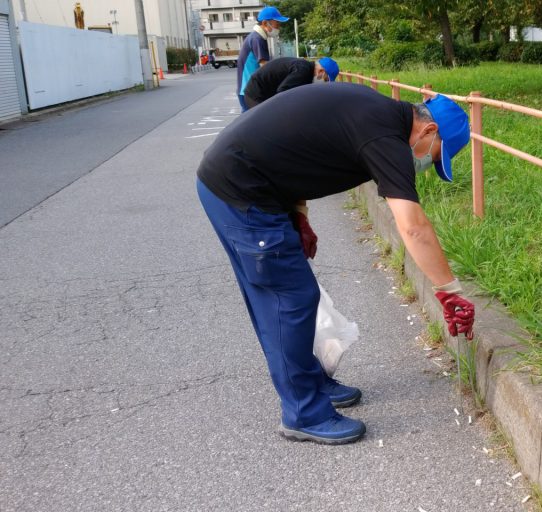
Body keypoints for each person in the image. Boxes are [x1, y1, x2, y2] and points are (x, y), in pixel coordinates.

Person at [196, 83, 476, 445]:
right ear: (428, 130)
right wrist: (449, 291)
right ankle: (303, 412)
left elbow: (296, 147)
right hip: (241, 189)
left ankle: (312, 385)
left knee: (297, 295)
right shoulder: (385, 136)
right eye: (435, 156)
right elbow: (413, 227)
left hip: (246, 181)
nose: (427, 163)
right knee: (287, 301)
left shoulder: (376, 115)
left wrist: (298, 213)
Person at [237, 6, 288, 112]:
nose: (279, 27)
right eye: (277, 24)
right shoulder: (257, 39)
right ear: (265, 23)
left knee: (249, 123)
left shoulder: (256, 37)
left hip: (248, 89)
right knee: (251, 124)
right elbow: (265, 66)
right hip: (250, 91)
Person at [242, 57, 339, 110]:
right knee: (264, 126)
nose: (324, 83)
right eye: (326, 80)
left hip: (264, 93)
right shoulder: (303, 70)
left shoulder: (307, 71)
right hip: (256, 93)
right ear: (321, 72)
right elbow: (283, 93)